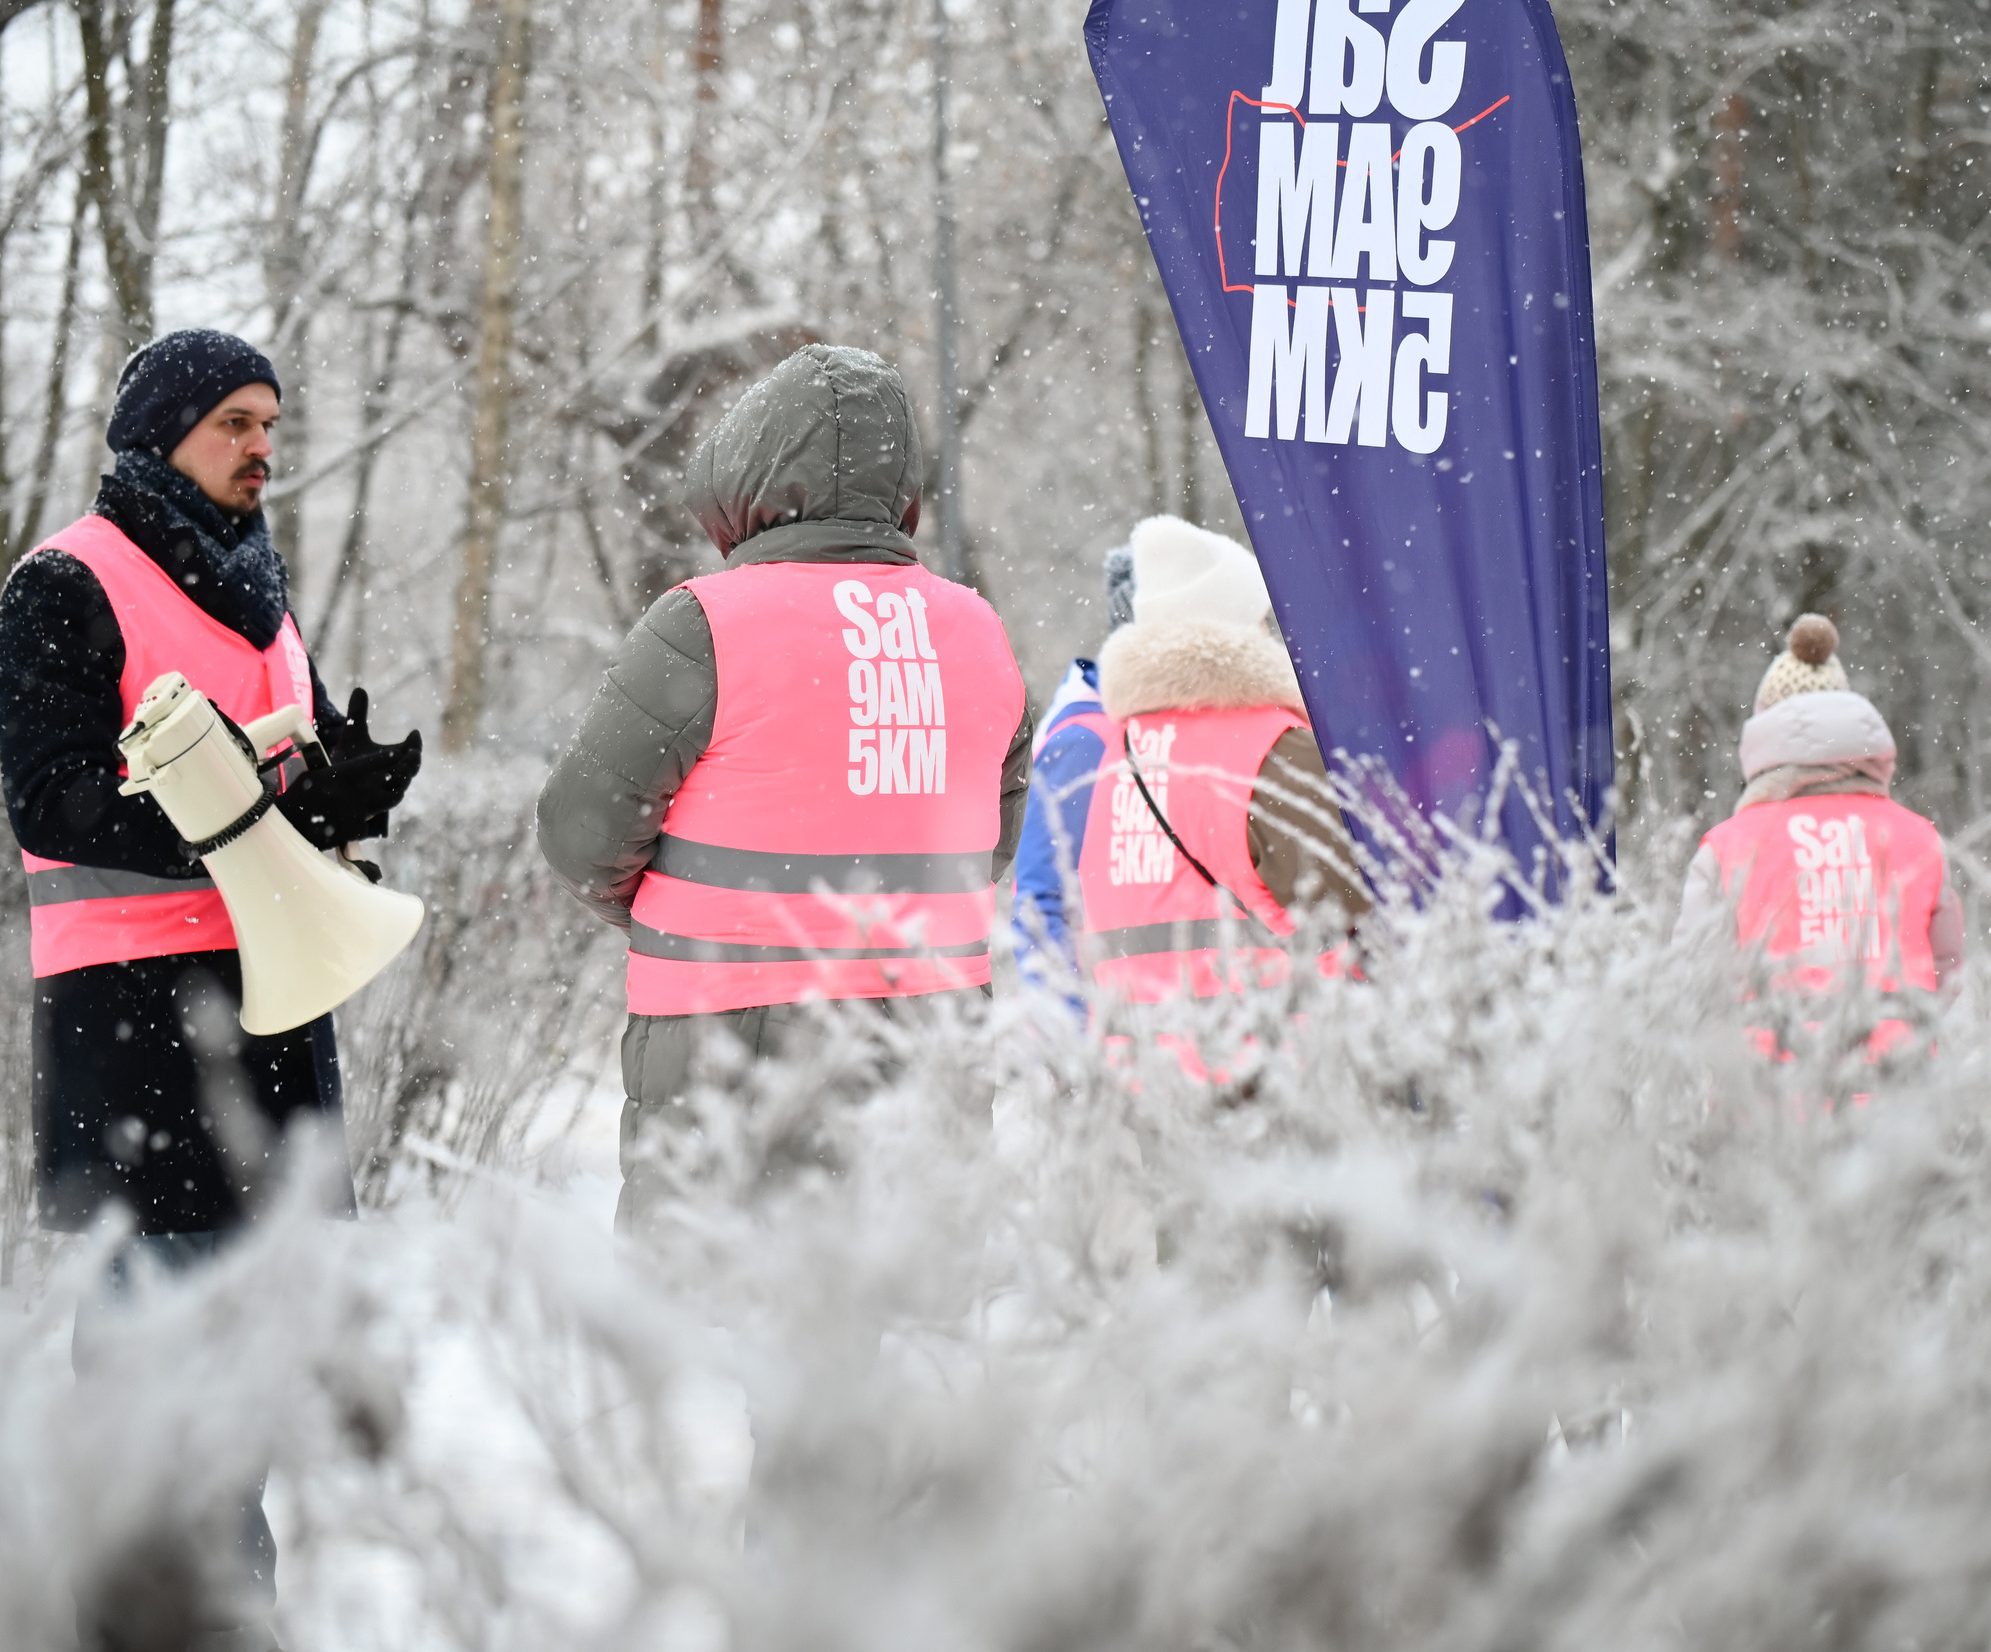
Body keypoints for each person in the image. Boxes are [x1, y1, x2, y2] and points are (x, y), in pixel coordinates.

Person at [0, 328, 417, 1652]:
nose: (261, 446)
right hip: (132, 1020)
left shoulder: (261, 596)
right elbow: (51, 802)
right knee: (154, 1350)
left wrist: (339, 792)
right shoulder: (66, 583)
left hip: (273, 1007)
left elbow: (287, 787)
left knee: (244, 1348)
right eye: (235, 420)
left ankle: (226, 1641)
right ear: (161, 431)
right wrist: (230, 805)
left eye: (271, 422)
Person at [535, 345, 1033, 1233]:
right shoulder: (978, 632)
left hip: (729, 1042)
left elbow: (581, 833)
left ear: (746, 473)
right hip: (932, 1034)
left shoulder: (705, 623)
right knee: (904, 1303)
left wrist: (678, 912)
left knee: (713, 1300)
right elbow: (991, 840)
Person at [1073, 515, 1369, 1017]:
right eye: (1261, 620)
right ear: (1241, 628)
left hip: (1141, 1049)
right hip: (1266, 1044)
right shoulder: (1273, 747)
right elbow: (1357, 902)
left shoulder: (1120, 752)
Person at [1674, 616, 1962, 1060]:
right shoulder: (1919, 839)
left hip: (1772, 1085)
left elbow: (1693, 984)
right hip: (1901, 1083)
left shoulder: (1727, 848)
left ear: (1764, 734)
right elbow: (1948, 971)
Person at [1009, 541, 1133, 992]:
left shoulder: (1129, 730)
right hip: (1106, 1017)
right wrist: (1071, 1022)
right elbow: (1042, 901)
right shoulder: (1085, 741)